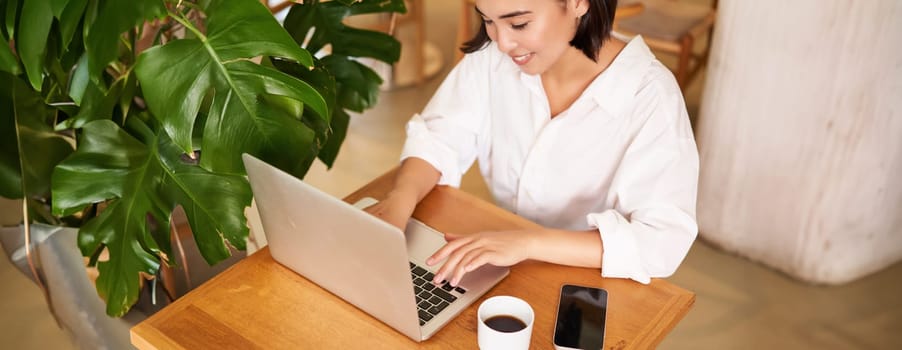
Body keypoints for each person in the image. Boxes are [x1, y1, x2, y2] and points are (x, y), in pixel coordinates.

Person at [365, 0, 698, 287]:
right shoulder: (492, 59)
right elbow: (439, 137)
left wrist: (529, 243)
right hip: (508, 263)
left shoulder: (650, 97)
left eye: (519, 23)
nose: (503, 43)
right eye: (488, 21)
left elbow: (660, 242)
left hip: (591, 282)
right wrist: (399, 200)